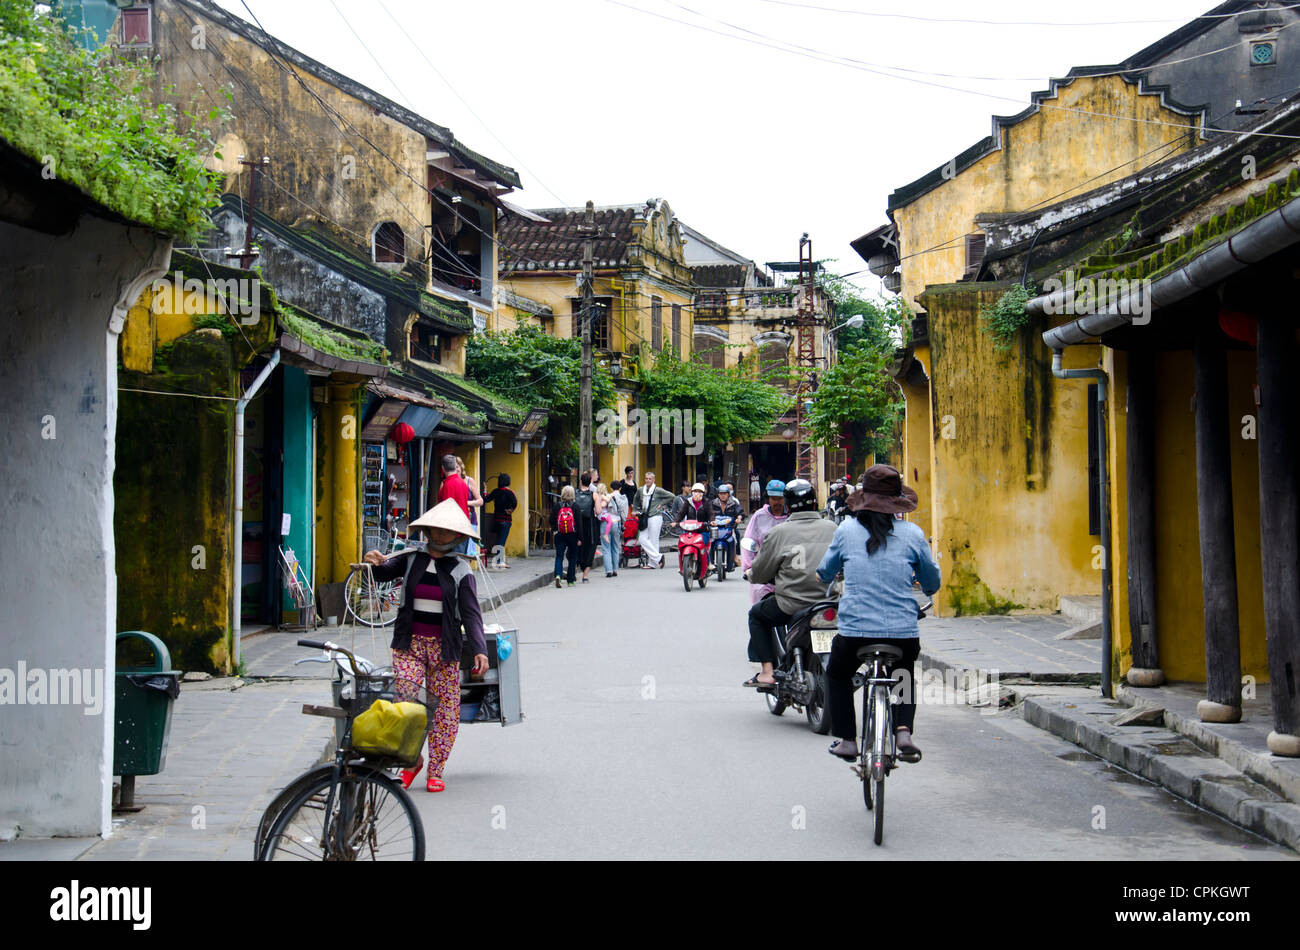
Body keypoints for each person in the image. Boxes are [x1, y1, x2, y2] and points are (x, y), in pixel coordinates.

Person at [816, 464, 941, 763]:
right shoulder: (913, 534)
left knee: (837, 673)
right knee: (904, 673)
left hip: (855, 633)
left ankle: (848, 739)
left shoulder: (846, 530)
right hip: (903, 633)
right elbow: (932, 582)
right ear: (896, 504)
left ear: (863, 499)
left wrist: (830, 577)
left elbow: (824, 572)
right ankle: (903, 732)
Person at [362, 498, 487, 794]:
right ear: (428, 530)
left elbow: (471, 613)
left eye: (448, 532)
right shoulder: (409, 559)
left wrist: (480, 648)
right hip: (409, 645)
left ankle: (436, 769)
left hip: (444, 649)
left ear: (458, 536)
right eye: (437, 530)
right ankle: (410, 761)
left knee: (445, 711)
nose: (442, 536)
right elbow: (382, 571)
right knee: (405, 704)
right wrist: (373, 560)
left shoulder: (461, 571)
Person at [742, 480, 837, 690]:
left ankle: (767, 672)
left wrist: (750, 573)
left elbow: (760, 572)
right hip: (829, 603)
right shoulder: (833, 528)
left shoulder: (779, 532)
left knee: (756, 615)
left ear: (788, 504)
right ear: (815, 504)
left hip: (791, 604)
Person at [741, 479, 788, 600]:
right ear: (768, 498)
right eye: (773, 498)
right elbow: (749, 540)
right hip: (764, 569)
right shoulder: (759, 516)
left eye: (780, 498)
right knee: (758, 610)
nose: (777, 502)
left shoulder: (791, 516)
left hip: (787, 569)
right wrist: (748, 568)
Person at [633, 471, 676, 568]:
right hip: (645, 516)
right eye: (646, 478)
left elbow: (672, 496)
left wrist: (661, 503)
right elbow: (635, 499)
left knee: (654, 540)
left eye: (650, 479)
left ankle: (653, 563)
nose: (648, 480)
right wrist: (635, 509)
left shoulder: (658, 490)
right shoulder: (641, 490)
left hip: (656, 516)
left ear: (653, 480)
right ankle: (658, 557)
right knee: (642, 538)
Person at [483, 474, 517, 570]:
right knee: (502, 541)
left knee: (499, 540)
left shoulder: (495, 491)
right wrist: (511, 510)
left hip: (497, 519)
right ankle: (499, 562)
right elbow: (515, 503)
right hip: (506, 520)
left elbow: (486, 499)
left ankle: (500, 560)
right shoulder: (510, 492)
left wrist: (485, 490)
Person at [550, 485, 580, 586]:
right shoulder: (575, 506)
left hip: (559, 534)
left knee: (559, 556)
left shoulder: (557, 506)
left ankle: (558, 575)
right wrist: (580, 538)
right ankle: (570, 580)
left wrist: (555, 529)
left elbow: (551, 520)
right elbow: (579, 524)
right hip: (573, 535)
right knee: (573, 557)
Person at [712, 483, 744, 570]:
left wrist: (739, 518)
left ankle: (733, 559)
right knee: (709, 541)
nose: (722, 496)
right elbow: (708, 513)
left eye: (724, 493)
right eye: (721, 493)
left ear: (728, 494)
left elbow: (740, 512)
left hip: (729, 528)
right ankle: (709, 562)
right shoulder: (713, 503)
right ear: (718, 494)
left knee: (733, 540)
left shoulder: (733, 503)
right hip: (715, 528)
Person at [456, 456, 483, 560]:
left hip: (470, 520)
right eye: (453, 467)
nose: (456, 469)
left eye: (457, 466)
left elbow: (480, 501)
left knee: (468, 553)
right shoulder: (448, 482)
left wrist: (466, 503)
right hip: (456, 522)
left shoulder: (469, 481)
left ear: (461, 467)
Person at [574, 471, 598, 583]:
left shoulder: (574, 493)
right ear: (590, 482)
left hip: (576, 525)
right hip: (590, 525)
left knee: (575, 547)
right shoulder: (594, 495)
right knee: (590, 548)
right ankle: (585, 576)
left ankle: (573, 570)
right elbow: (598, 511)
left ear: (580, 481)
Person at [604, 480, 628, 576]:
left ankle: (608, 570)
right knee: (615, 547)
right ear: (620, 488)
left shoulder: (609, 497)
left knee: (606, 547)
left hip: (608, 522)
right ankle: (615, 569)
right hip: (618, 522)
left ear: (611, 488)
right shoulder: (624, 498)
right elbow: (624, 513)